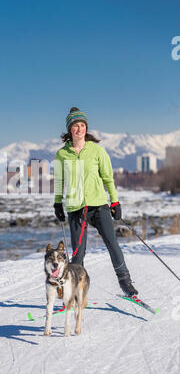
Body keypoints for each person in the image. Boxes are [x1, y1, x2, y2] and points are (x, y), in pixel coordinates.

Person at [53, 107, 138, 297]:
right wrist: (57, 203)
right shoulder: (62, 154)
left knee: (112, 244)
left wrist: (115, 202)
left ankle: (125, 282)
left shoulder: (97, 151)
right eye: (75, 126)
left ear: (86, 128)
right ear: (70, 130)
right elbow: (59, 181)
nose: (79, 129)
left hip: (98, 205)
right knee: (78, 254)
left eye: (82, 125)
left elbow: (108, 178)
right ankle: (75, 290)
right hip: (76, 208)